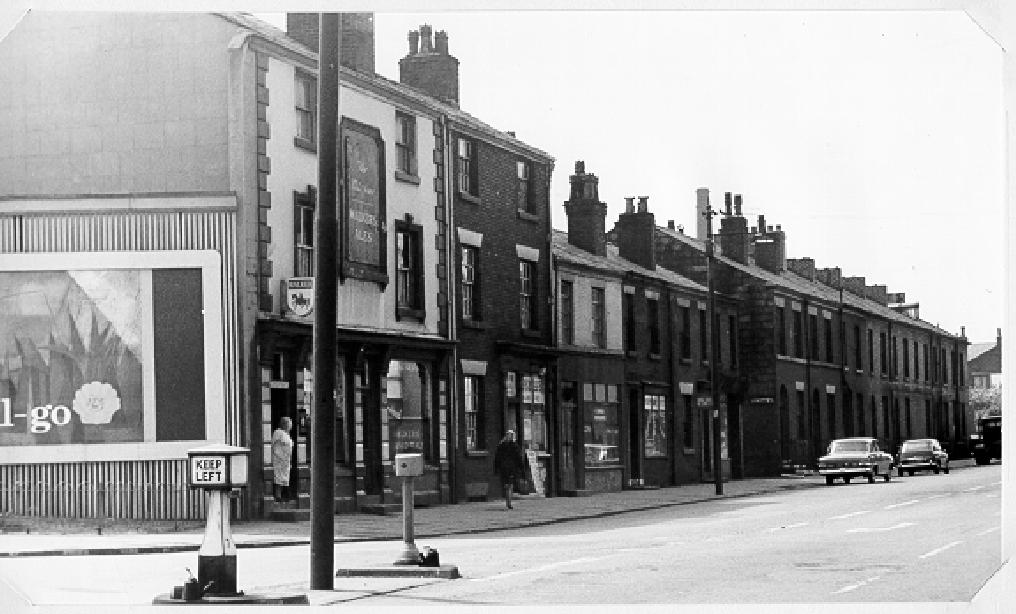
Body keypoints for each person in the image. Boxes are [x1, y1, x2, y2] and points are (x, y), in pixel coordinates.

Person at [493, 430, 525, 509]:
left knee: (506, 485)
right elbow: (519, 458)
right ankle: (509, 503)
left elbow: (497, 457)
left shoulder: (501, 445)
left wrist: (496, 468)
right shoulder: (514, 446)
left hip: (503, 468)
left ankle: (508, 501)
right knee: (510, 485)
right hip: (511, 468)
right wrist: (522, 469)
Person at [271, 416, 294, 504]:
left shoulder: (286, 434)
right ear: (285, 424)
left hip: (286, 460)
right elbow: (275, 446)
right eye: (289, 424)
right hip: (279, 460)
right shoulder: (278, 432)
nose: (290, 426)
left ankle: (285, 496)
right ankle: (278, 496)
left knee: (285, 478)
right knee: (279, 478)